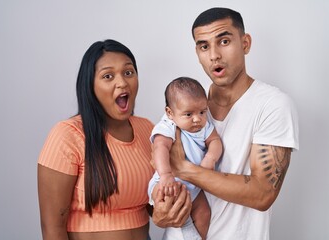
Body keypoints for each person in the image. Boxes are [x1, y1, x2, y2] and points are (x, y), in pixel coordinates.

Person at [152, 7, 299, 240]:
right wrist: (158, 215)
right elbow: (160, 172)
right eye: (204, 46)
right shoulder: (185, 105)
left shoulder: (272, 104)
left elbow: (262, 194)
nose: (214, 55)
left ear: (245, 43)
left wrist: (186, 169)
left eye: (224, 41)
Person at [37, 39, 191, 240]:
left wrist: (164, 211)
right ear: (90, 85)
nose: (122, 82)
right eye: (108, 76)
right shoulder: (67, 135)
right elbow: (52, 229)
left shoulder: (149, 130)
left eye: (128, 72)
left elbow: (150, 201)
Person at [148, 77, 223, 240]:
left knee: (204, 213)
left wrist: (210, 157)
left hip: (194, 185)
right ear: (170, 113)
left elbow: (215, 141)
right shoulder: (168, 126)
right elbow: (160, 148)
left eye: (202, 112)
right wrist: (166, 175)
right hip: (167, 181)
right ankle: (186, 226)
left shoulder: (204, 127)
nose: (197, 119)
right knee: (170, 203)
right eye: (188, 114)